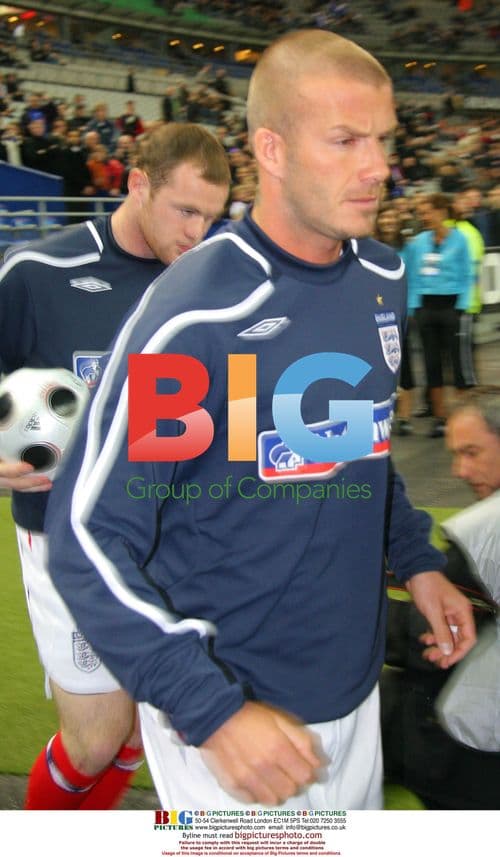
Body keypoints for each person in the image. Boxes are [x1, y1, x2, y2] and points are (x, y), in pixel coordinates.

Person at [46, 29, 475, 811]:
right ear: (271, 149)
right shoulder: (200, 315)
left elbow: (355, 449)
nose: (378, 167)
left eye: (382, 139)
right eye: (345, 140)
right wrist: (210, 711)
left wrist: (416, 559)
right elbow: (89, 535)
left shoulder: (381, 278)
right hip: (231, 717)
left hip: (351, 692)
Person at [0, 122, 231, 810]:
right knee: (96, 740)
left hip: (175, 540)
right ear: (137, 184)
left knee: (154, 730)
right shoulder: (38, 273)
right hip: (67, 535)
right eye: (185, 210)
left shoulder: (213, 284)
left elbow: (235, 414)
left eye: (211, 216)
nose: (197, 232)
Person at [382, 390, 500, 809]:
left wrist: (349, 615)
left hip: (469, 755)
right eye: (455, 455)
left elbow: (426, 635)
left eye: (472, 452)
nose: (460, 471)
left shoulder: (488, 533)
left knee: (361, 696)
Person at [405, 192, 475, 438]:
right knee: (431, 364)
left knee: (459, 365)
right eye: (421, 213)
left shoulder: (460, 239)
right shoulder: (418, 243)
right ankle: (440, 418)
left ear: (441, 212)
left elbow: (468, 274)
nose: (423, 217)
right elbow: (412, 276)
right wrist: (414, 308)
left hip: (452, 307)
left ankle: (466, 419)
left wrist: (462, 306)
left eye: (427, 212)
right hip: (426, 308)